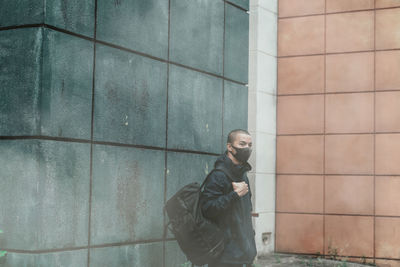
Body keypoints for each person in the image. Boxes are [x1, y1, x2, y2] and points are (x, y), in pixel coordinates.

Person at [201, 129, 257, 267]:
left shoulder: (242, 173)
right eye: (242, 144)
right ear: (230, 147)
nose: (247, 148)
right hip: (224, 255)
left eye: (250, 145)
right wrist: (234, 195)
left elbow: (244, 211)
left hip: (243, 251)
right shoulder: (218, 175)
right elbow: (207, 209)